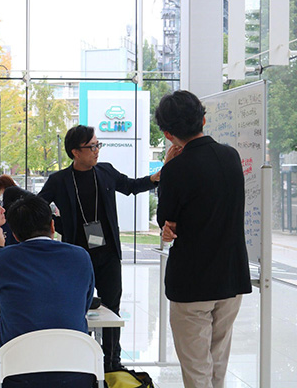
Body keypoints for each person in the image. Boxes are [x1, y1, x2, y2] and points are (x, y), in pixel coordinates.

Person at [38, 124, 160, 372]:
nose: (97, 150)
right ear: (75, 152)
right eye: (91, 146)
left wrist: (154, 179)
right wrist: (60, 224)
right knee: (75, 308)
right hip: (76, 257)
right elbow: (38, 207)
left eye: (97, 145)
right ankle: (79, 360)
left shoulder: (105, 171)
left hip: (108, 254)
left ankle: (112, 362)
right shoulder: (59, 180)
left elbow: (130, 186)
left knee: (112, 309)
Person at [155, 90, 252, 388]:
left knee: (197, 371)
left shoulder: (175, 169)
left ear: (168, 135)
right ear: (204, 120)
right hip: (231, 277)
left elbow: (166, 219)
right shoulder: (231, 156)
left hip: (192, 283)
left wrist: (168, 168)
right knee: (217, 364)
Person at [0, 194, 95, 388]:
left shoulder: (1, 259)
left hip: (15, 377)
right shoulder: (81, 257)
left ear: (15, 235)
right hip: (76, 375)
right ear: (52, 226)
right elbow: (84, 306)